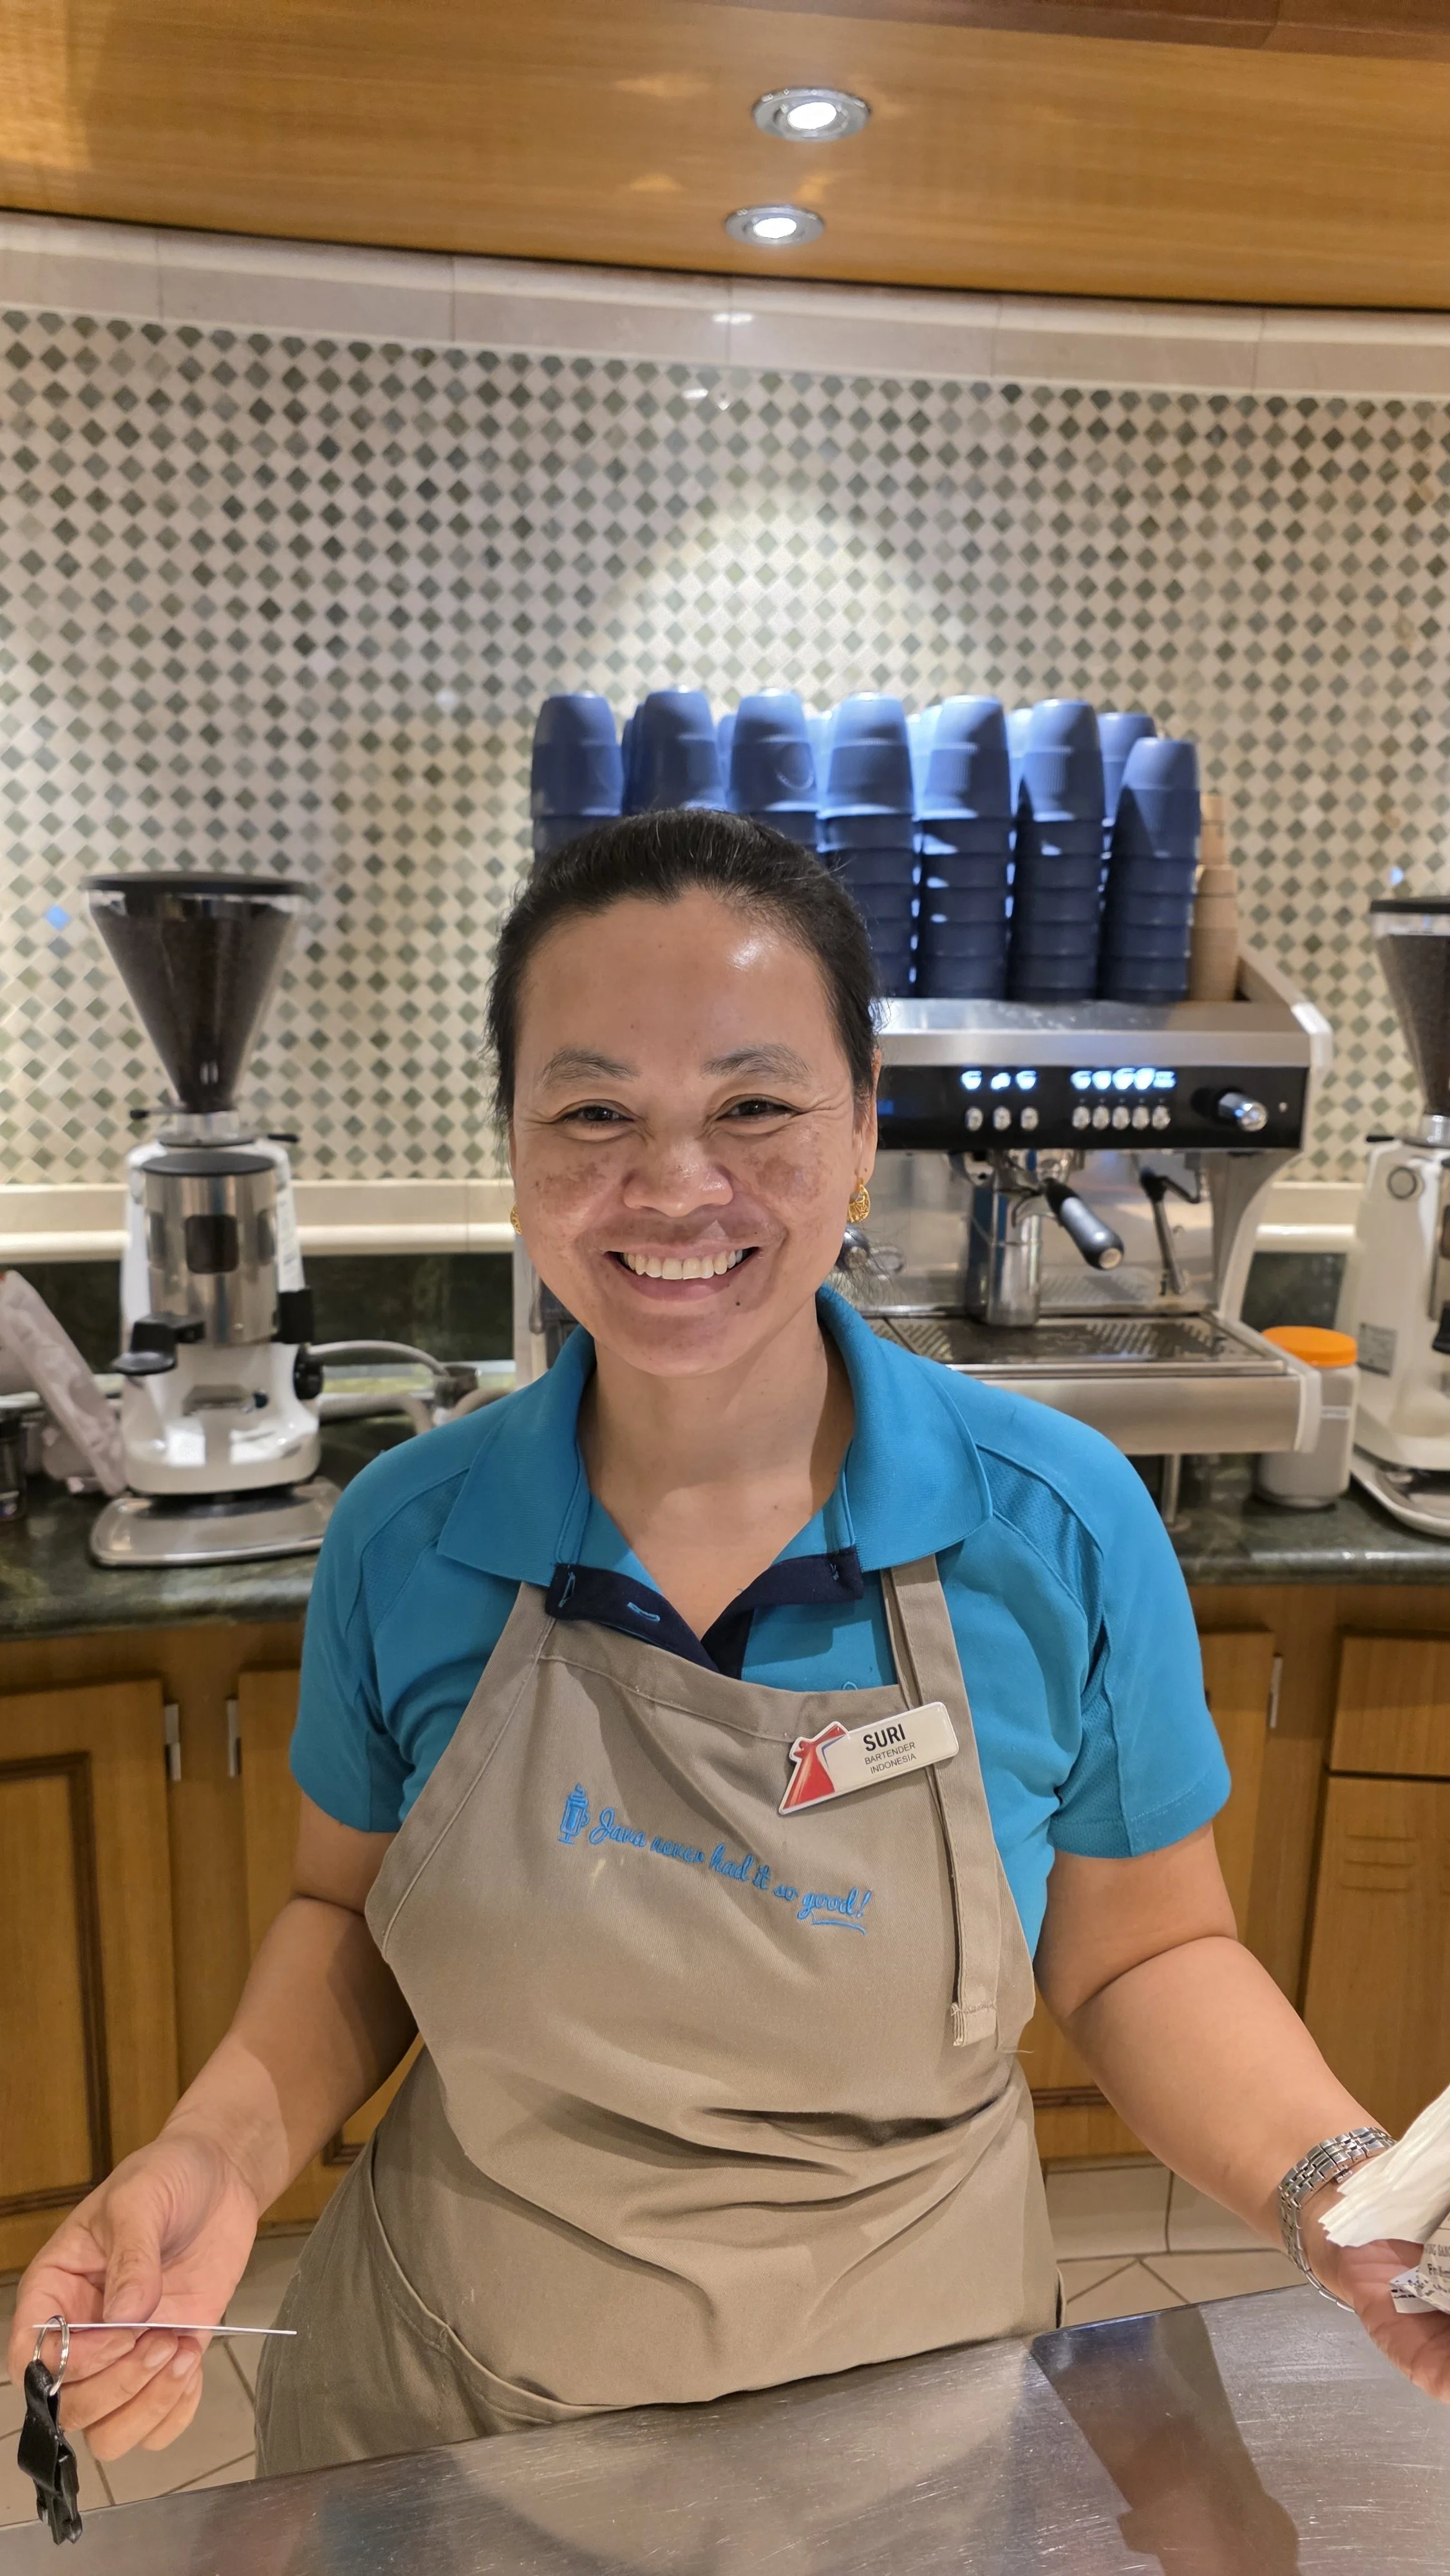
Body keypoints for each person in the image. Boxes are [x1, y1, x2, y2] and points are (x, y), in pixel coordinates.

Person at [12, 810, 1449, 2472]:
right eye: (593, 1110)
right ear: (517, 1149)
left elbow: (1141, 1957)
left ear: (860, 1136)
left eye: (753, 1107)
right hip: (456, 2425)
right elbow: (346, 1918)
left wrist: (1329, 2181)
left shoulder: (1053, 1526)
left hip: (908, 2436)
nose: (674, 1183)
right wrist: (212, 2155)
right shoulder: (404, 1536)